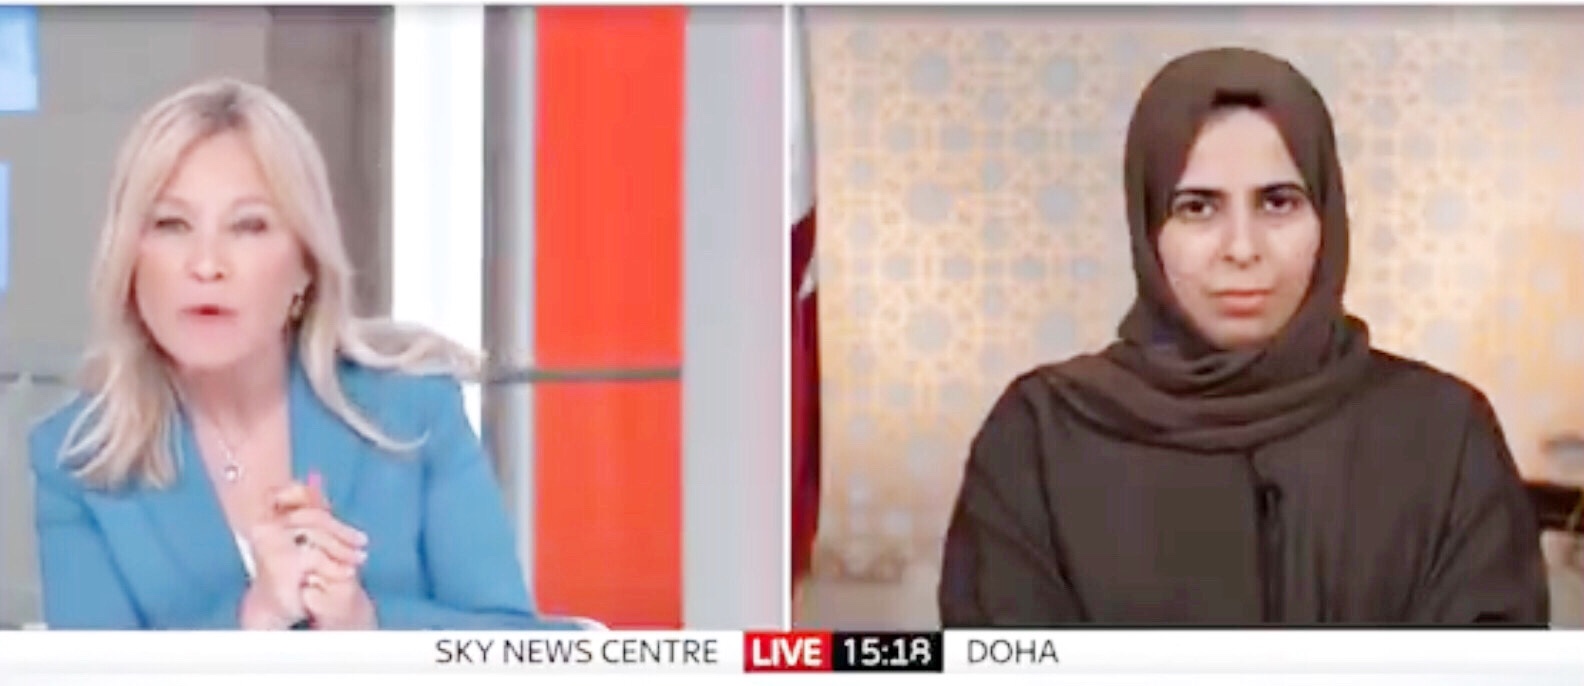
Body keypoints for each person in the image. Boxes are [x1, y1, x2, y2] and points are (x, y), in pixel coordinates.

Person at [938, 48, 1550, 626]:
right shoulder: (1040, 434)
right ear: (1148, 225)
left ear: (1327, 216)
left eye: (1278, 203)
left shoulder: (1444, 433)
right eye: (1197, 208)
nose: (1241, 248)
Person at [29, 78, 578, 630]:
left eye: (248, 226)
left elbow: (516, 648)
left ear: (305, 266)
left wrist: (366, 626)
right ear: (130, 259)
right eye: (172, 225)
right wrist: (256, 617)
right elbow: (91, 667)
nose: (207, 265)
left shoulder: (414, 411)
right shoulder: (76, 461)